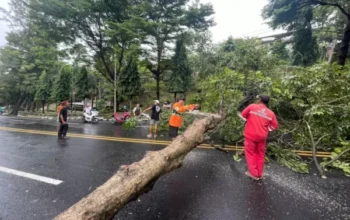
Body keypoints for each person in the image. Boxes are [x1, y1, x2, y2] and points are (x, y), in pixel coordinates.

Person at [239, 95, 278, 180]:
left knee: (250, 153)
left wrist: (249, 119)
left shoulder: (252, 106)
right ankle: (260, 174)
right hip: (262, 137)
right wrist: (267, 129)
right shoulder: (271, 113)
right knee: (260, 154)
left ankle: (254, 174)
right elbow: (275, 125)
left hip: (250, 135)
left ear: (259, 100)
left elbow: (242, 115)